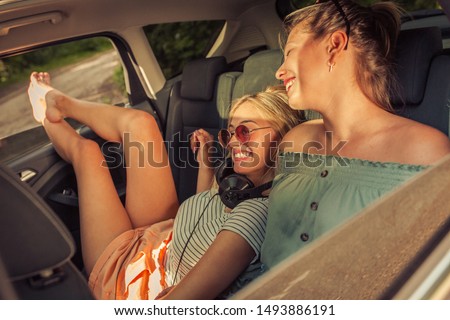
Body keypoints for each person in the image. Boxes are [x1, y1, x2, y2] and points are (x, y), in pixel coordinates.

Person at [27, 73, 303, 299]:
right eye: (228, 133)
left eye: (244, 130)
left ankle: (42, 112)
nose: (232, 142)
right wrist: (205, 161)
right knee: (141, 124)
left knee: (86, 153)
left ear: (283, 139)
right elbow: (202, 218)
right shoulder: (235, 186)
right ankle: (59, 102)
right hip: (160, 237)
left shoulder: (253, 215)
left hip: (134, 281)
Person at [260, 0, 450, 269]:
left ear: (335, 46)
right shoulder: (295, 141)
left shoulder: (424, 151)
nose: (279, 71)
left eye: (290, 52)